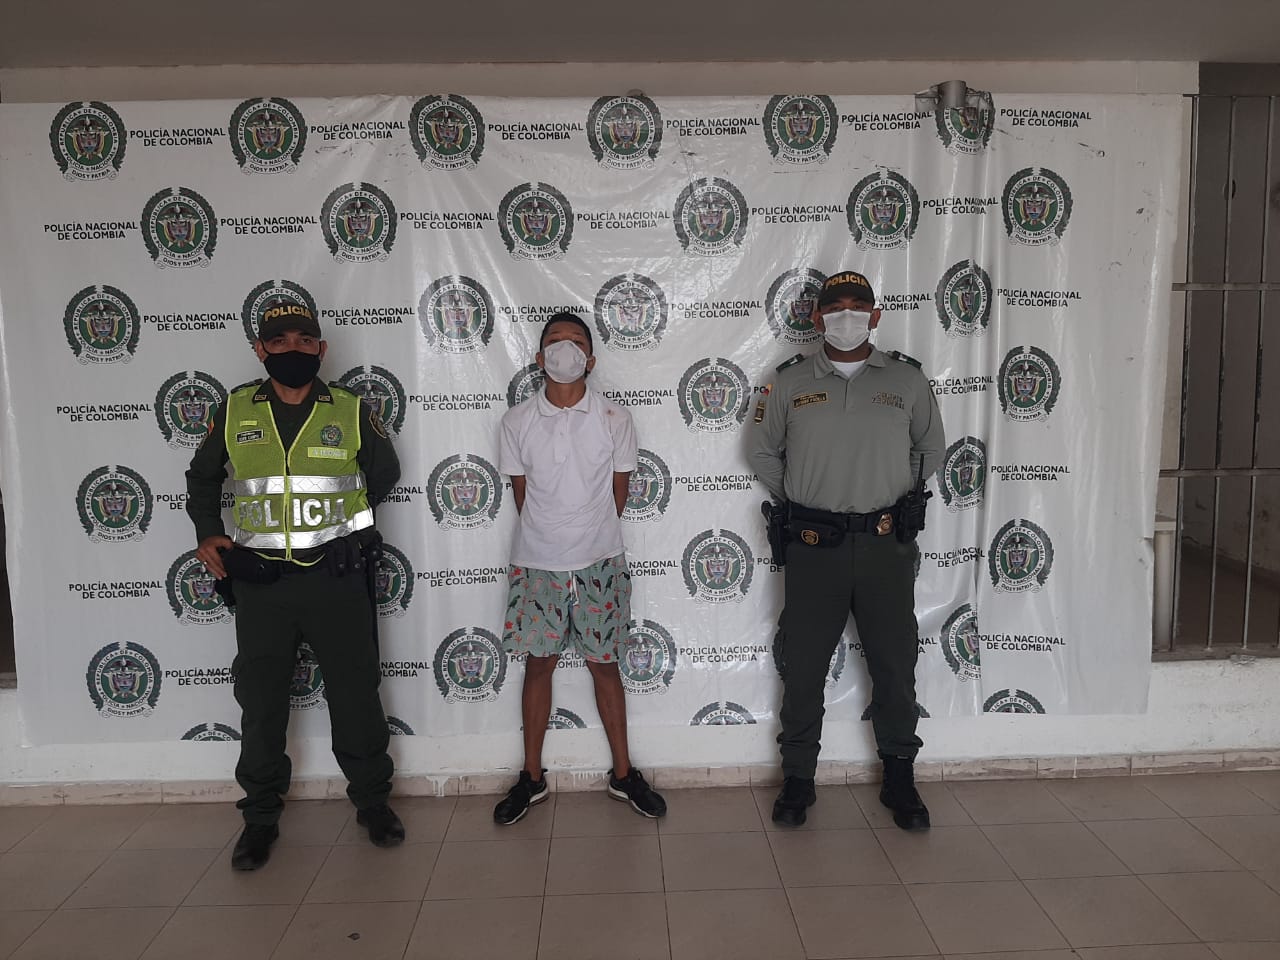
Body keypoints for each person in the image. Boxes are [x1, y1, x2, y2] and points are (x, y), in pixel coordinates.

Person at [186, 308, 405, 870]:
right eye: (279, 340)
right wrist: (208, 531)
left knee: (355, 696)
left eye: (305, 340)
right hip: (262, 584)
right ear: (260, 350)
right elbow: (203, 477)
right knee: (261, 703)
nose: (293, 349)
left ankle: (373, 802)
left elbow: (382, 475)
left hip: (336, 580)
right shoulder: (235, 408)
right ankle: (260, 816)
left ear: (321, 349)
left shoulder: (350, 409)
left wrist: (351, 531)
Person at [749, 270, 945, 829]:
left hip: (887, 546)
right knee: (804, 667)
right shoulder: (788, 382)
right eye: (835, 306)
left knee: (894, 664)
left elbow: (930, 448)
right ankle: (797, 778)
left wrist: (892, 492)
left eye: (859, 305)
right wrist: (805, 498)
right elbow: (762, 452)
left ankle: (900, 776)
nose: (847, 314)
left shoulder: (906, 380)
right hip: (814, 547)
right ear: (817, 318)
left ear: (875, 317)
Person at [492, 312, 666, 824]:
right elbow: (522, 496)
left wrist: (589, 538)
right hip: (537, 564)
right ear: (539, 357)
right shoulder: (516, 421)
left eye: (575, 342)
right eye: (554, 340)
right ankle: (531, 777)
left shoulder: (614, 417)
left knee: (604, 665)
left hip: (599, 562)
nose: (564, 348)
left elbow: (619, 493)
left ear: (590, 360)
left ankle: (623, 775)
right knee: (538, 666)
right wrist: (552, 539)